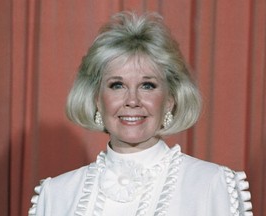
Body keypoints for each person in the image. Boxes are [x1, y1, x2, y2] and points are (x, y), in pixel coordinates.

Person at [28, 11, 252, 216]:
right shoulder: (56, 194)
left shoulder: (212, 184)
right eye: (117, 85)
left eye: (148, 86)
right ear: (97, 99)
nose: (132, 100)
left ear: (169, 100)